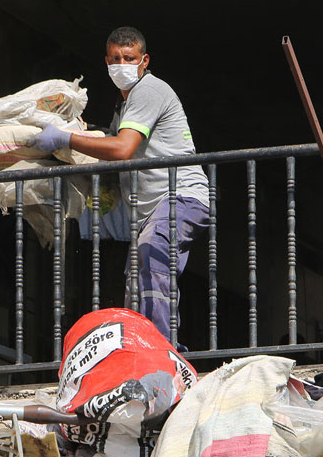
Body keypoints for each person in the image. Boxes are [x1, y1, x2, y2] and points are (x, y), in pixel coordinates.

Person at [33, 26, 210, 343]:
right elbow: (113, 148)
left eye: (129, 58)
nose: (121, 64)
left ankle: (162, 351)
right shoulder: (124, 106)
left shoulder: (148, 91)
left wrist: (65, 137)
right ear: (106, 61)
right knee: (136, 278)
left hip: (178, 196)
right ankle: (144, 348)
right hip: (151, 210)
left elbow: (122, 149)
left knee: (152, 262)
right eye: (115, 58)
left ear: (144, 61)